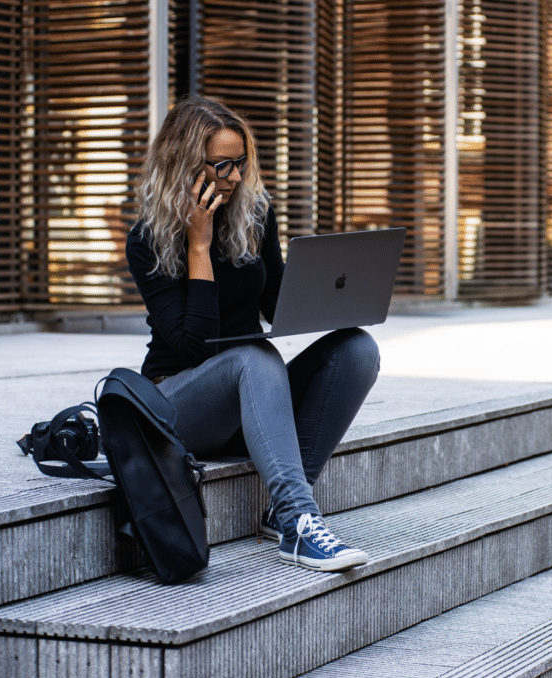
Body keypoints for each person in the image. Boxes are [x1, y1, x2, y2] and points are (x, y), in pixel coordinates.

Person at [125, 95, 380, 572]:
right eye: (223, 166)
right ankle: (298, 522)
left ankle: (281, 510)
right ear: (185, 165)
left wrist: (334, 293)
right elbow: (193, 346)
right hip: (179, 408)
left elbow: (274, 305)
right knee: (254, 356)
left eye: (241, 163)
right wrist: (198, 244)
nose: (237, 177)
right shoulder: (147, 240)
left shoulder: (255, 215)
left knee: (357, 350)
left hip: (249, 403)